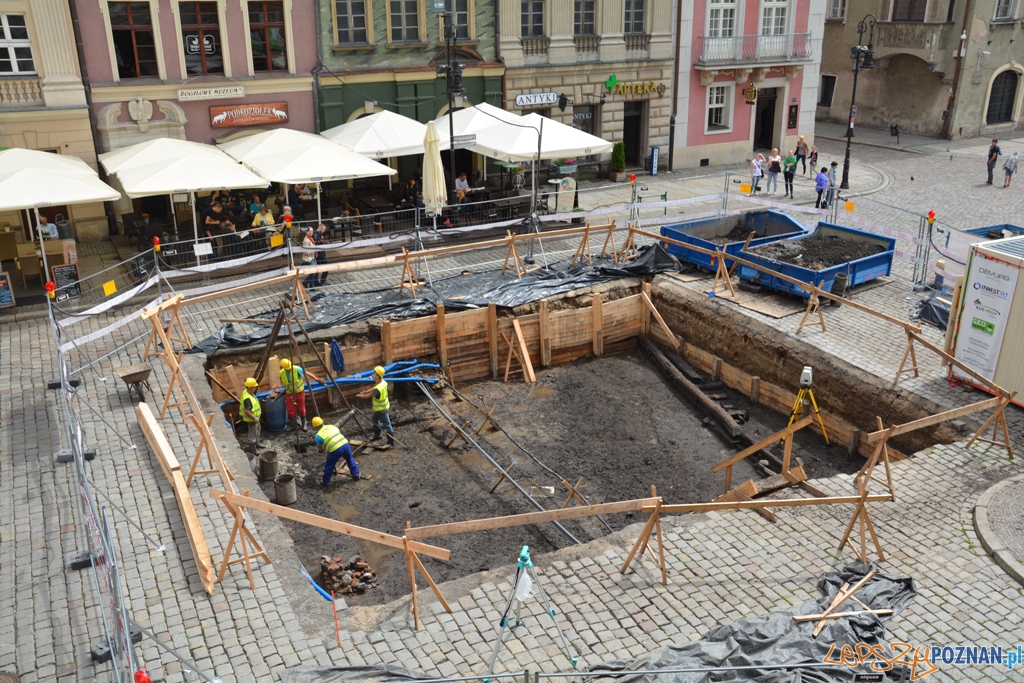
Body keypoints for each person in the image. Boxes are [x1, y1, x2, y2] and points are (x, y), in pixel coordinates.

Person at [273, 358, 320, 431]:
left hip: (299, 393)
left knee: (301, 409)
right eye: (287, 369)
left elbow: (307, 373)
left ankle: (304, 424)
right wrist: (277, 389)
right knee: (291, 410)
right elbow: (285, 383)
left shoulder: (297, 369)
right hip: (289, 393)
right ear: (284, 368)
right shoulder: (282, 372)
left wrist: (316, 379)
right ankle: (293, 425)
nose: (289, 370)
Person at [313, 416, 359, 484]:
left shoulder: (318, 436)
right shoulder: (332, 426)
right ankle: (356, 475)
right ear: (322, 422)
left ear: (315, 427)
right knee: (350, 459)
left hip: (335, 450)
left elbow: (320, 448)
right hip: (345, 444)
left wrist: (322, 450)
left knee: (330, 465)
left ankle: (325, 481)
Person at [357, 366, 394, 446]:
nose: (373, 375)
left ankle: (390, 442)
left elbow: (368, 396)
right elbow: (374, 388)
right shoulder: (382, 382)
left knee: (387, 425)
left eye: (374, 373)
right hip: (380, 408)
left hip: (382, 409)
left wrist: (360, 396)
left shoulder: (378, 389)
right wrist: (365, 391)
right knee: (374, 420)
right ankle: (377, 435)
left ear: (377, 376)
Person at [239, 378, 262, 453]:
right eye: (254, 387)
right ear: (251, 388)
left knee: (258, 430)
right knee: (252, 434)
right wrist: (254, 418)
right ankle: (253, 449)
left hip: (256, 418)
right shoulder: (247, 398)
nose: (255, 388)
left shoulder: (248, 392)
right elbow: (246, 411)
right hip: (251, 420)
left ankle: (258, 444)